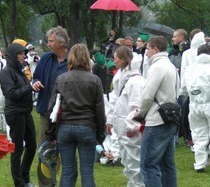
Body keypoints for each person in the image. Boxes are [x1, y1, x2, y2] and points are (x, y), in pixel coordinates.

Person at [47, 44, 106, 187]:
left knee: (67, 171)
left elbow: (52, 108)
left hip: (65, 128)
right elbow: (99, 111)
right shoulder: (95, 80)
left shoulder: (61, 79)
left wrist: (51, 133)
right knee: (87, 172)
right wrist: (100, 134)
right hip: (86, 127)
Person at [135, 36, 178, 187]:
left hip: (156, 120)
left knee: (148, 165)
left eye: (147, 49)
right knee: (168, 165)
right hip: (170, 118)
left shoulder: (157, 67)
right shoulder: (171, 66)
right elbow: (177, 92)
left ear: (155, 49)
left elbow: (147, 95)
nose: (145, 53)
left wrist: (140, 114)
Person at [181, 43, 210, 172]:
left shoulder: (190, 68)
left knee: (198, 134)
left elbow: (183, 87)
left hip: (194, 105)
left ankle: (200, 164)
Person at [106, 46, 145, 186]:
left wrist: (132, 127)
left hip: (129, 129)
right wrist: (110, 120)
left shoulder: (136, 82)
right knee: (127, 161)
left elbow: (137, 108)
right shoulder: (119, 76)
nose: (113, 60)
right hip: (121, 125)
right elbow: (114, 100)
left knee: (135, 160)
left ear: (123, 59)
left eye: (116, 57)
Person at [0, 43, 37, 187]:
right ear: (14, 55)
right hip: (15, 113)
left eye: (24, 53)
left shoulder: (20, 71)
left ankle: (24, 176)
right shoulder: (6, 72)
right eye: (21, 53)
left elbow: (24, 89)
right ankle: (19, 182)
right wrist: (29, 88)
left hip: (25, 112)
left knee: (32, 146)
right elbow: (11, 94)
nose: (24, 56)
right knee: (17, 148)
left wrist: (33, 88)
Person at [32, 26, 69, 144]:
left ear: (62, 42)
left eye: (51, 41)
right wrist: (36, 83)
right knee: (45, 148)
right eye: (48, 41)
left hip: (67, 112)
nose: (48, 44)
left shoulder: (73, 60)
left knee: (65, 148)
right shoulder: (45, 58)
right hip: (46, 109)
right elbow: (36, 76)